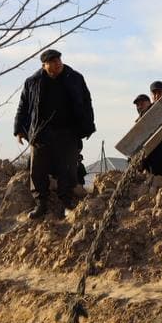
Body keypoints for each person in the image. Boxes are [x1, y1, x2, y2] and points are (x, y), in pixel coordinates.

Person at [13, 49, 95, 219]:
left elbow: (86, 101)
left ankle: (66, 202)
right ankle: (41, 203)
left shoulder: (74, 77)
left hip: (68, 130)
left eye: (59, 59)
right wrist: (19, 129)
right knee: (38, 169)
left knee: (68, 168)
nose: (57, 63)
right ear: (44, 65)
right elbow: (23, 106)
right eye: (53, 61)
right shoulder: (32, 82)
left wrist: (88, 125)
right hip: (41, 132)